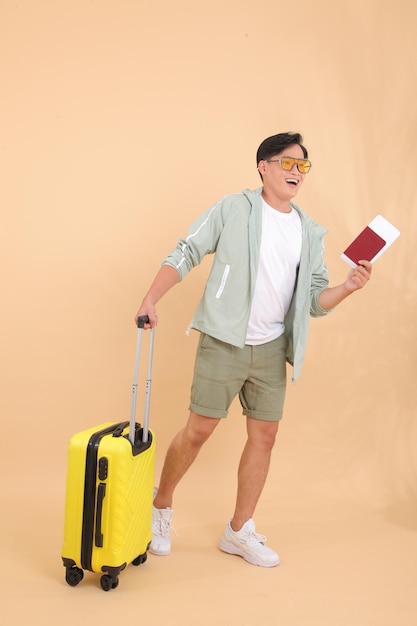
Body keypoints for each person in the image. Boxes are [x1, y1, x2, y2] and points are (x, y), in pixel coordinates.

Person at [135, 132, 372, 568]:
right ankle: (160, 506)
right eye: (287, 163)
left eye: (303, 166)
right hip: (223, 340)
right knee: (198, 431)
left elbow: (314, 301)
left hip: (270, 349)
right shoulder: (231, 208)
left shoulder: (308, 231)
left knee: (264, 437)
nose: (295, 173)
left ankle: (239, 530)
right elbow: (186, 251)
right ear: (263, 165)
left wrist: (347, 288)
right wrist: (152, 299)